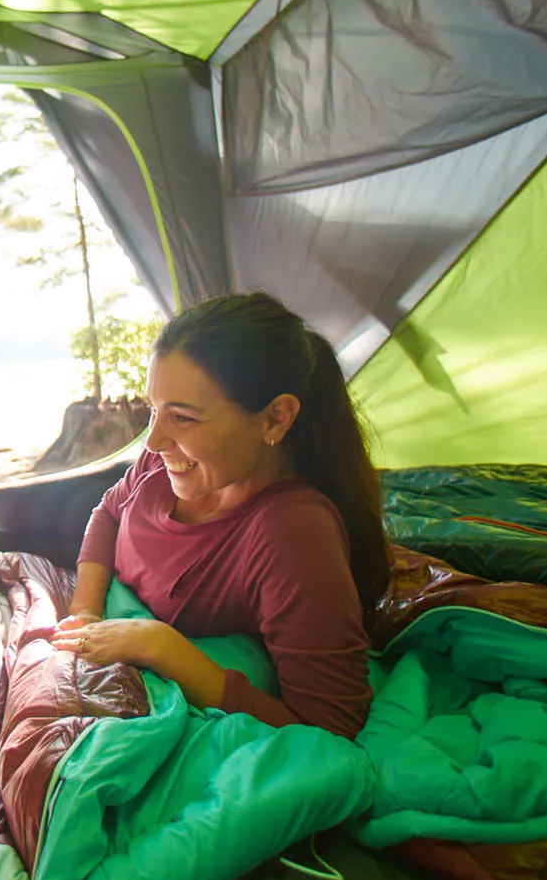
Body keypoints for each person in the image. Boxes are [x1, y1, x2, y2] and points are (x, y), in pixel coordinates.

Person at [50, 293, 390, 741]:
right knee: (0, 511)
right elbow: (110, 511)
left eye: (183, 417)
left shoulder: (291, 534)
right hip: (111, 603)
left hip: (151, 634)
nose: (152, 440)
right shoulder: (167, 461)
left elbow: (330, 724)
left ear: (275, 419)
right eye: (155, 409)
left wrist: (160, 646)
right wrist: (85, 610)